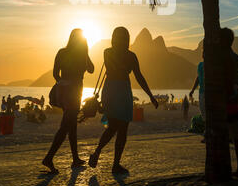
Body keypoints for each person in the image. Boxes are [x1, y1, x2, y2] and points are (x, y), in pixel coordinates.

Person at [88, 27, 158, 175]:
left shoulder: (107, 52)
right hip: (122, 90)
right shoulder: (131, 56)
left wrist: (151, 95)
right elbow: (138, 76)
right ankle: (114, 163)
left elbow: (117, 69)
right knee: (121, 128)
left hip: (110, 90)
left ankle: (98, 153)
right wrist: (150, 96)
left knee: (113, 126)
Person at [42, 28, 94, 173]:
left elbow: (55, 74)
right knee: (65, 126)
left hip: (66, 93)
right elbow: (91, 69)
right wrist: (86, 53)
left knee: (71, 126)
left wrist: (62, 84)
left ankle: (75, 158)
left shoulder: (62, 52)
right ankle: (49, 158)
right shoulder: (82, 54)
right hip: (75, 92)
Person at [221, 27, 238, 178]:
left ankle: (233, 168)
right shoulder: (236, 57)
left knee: (225, 133)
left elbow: (225, 79)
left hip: (226, 98)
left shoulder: (222, 58)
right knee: (236, 134)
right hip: (235, 97)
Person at [189, 53, 205, 142]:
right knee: (204, 114)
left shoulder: (214, 65)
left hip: (210, 92)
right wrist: (192, 90)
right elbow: (198, 78)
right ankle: (208, 133)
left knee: (208, 114)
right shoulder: (200, 65)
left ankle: (208, 134)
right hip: (202, 92)